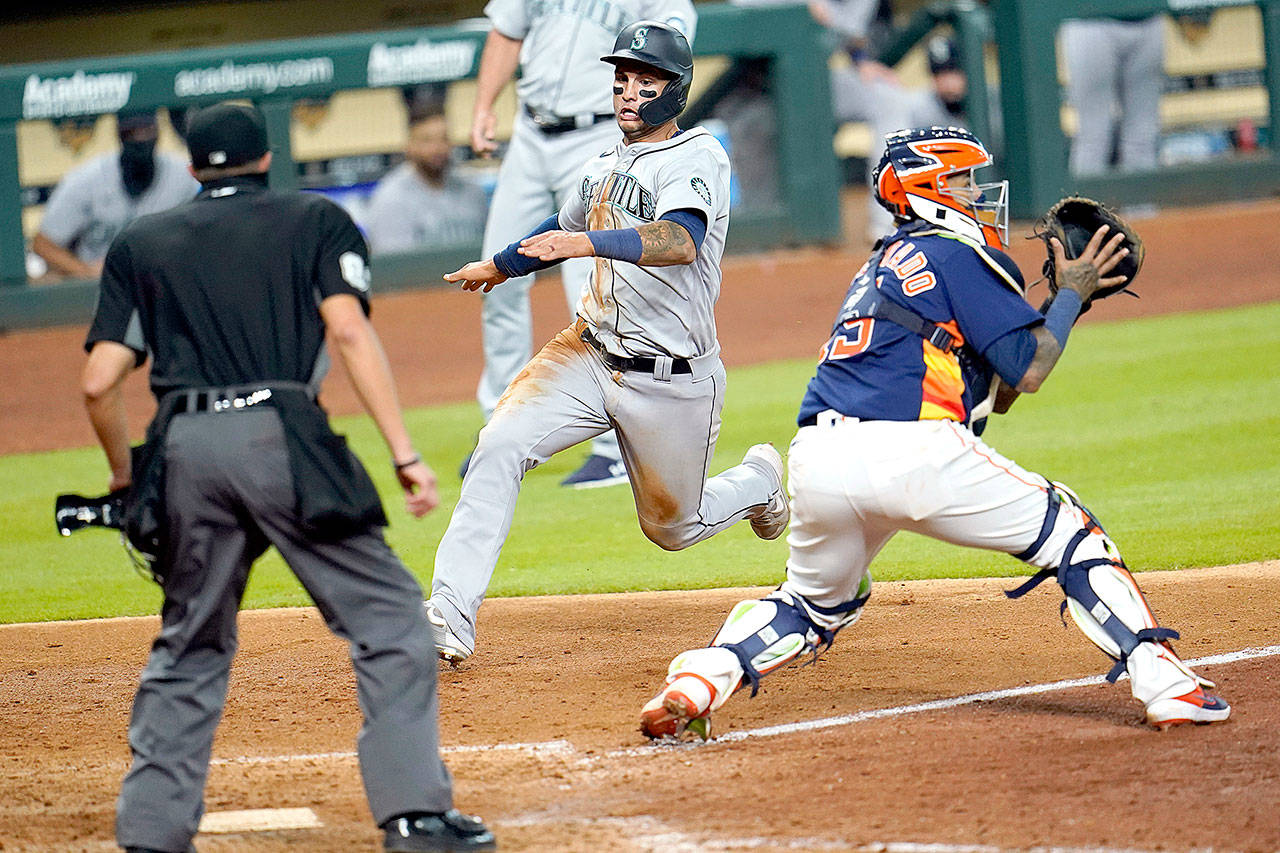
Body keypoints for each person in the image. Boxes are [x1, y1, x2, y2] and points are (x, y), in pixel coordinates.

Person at [639, 125, 1231, 739]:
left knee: (809, 605)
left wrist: (1061, 306)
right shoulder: (956, 252)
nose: (977, 194)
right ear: (927, 188)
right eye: (963, 180)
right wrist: (1072, 295)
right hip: (911, 452)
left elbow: (994, 396)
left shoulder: (881, 265)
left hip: (818, 459)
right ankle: (1167, 683)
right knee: (1072, 535)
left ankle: (701, 679)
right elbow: (1029, 371)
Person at [80, 101, 495, 853]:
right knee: (391, 619)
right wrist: (403, 453)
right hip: (280, 438)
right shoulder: (315, 221)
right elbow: (347, 329)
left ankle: (150, 833)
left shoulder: (141, 241)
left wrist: (122, 478)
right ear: (266, 159)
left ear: (193, 164)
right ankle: (414, 815)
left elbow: (97, 381)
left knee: (189, 642)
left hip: (185, 447)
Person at [428, 21, 790, 665]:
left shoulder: (697, 157)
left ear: (676, 90)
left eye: (644, 81)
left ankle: (758, 478)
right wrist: (503, 264)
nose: (627, 93)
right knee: (499, 445)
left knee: (673, 529)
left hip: (673, 376)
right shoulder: (603, 163)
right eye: (621, 79)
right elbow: (561, 227)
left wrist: (587, 243)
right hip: (587, 352)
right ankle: (449, 617)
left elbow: (679, 242)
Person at [464, 0, 697, 488]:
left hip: (599, 135)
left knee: (595, 290)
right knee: (499, 276)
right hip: (530, 133)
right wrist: (484, 105)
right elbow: (507, 31)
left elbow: (672, 55)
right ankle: (503, 427)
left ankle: (614, 444)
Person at [32, 108, 198, 281]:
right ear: (119, 134)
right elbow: (43, 244)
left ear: (158, 132)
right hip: (102, 285)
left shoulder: (182, 176)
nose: (140, 140)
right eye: (132, 133)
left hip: (163, 280)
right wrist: (85, 271)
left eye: (147, 131)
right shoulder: (89, 179)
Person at [362, 104, 489, 253]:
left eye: (444, 139)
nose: (437, 148)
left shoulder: (472, 190)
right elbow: (394, 269)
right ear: (409, 146)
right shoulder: (391, 198)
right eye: (427, 140)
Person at [1059, 14, 1166, 177]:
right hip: (1090, 21)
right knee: (1093, 135)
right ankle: (1084, 202)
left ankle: (1142, 202)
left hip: (1147, 19)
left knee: (1143, 136)